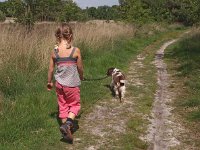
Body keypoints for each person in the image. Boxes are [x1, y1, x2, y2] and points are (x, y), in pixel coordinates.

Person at [47, 23, 83, 143]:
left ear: (57, 36)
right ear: (70, 35)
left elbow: (51, 69)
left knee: (63, 107)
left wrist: (49, 82)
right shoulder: (75, 51)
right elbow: (80, 68)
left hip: (59, 85)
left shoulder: (54, 52)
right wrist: (81, 77)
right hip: (72, 85)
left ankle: (66, 132)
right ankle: (68, 124)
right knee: (75, 105)